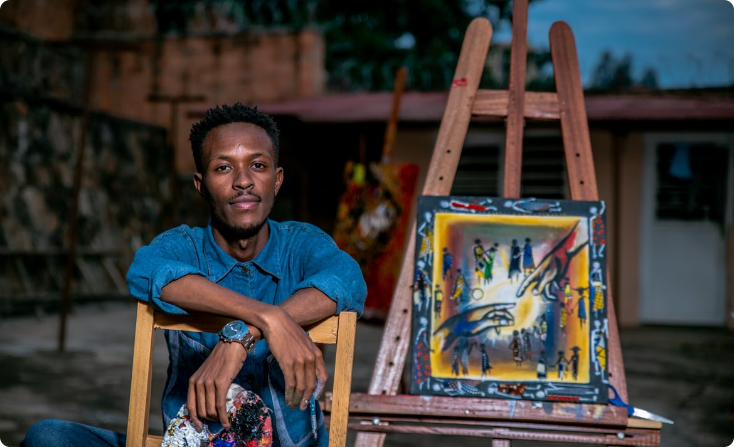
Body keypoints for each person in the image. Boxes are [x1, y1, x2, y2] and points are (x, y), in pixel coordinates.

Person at [21, 104, 367, 447]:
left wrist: (240, 337)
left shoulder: (302, 245)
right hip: (195, 444)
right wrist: (268, 318)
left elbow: (347, 279)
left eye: (258, 165)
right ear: (201, 185)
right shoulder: (183, 247)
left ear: (276, 180)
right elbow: (145, 272)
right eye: (223, 168)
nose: (243, 181)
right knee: (48, 437)